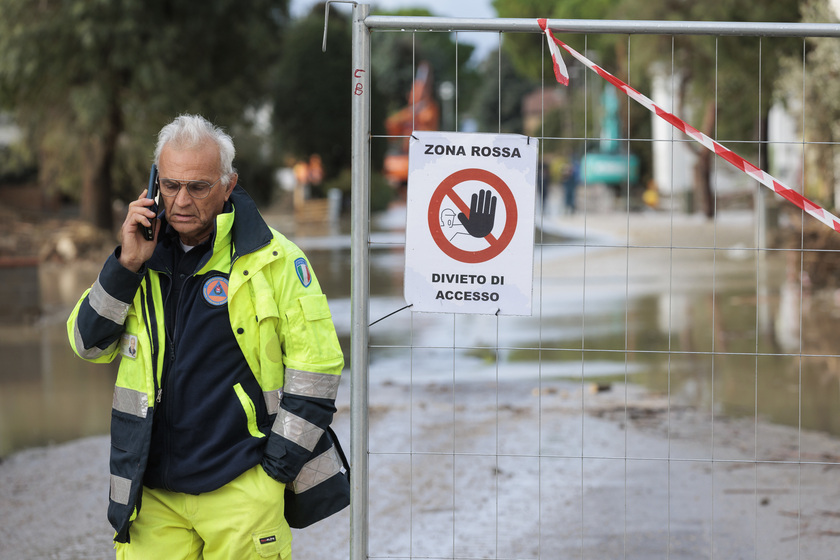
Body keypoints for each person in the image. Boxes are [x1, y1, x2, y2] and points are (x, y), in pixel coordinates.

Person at [66, 114, 345, 559]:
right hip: (151, 497)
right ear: (155, 183)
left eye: (198, 187)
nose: (180, 200)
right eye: (171, 185)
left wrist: (276, 470)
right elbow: (87, 344)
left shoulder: (276, 260)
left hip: (242, 490)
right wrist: (125, 265)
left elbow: (318, 372)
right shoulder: (139, 258)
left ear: (228, 185)